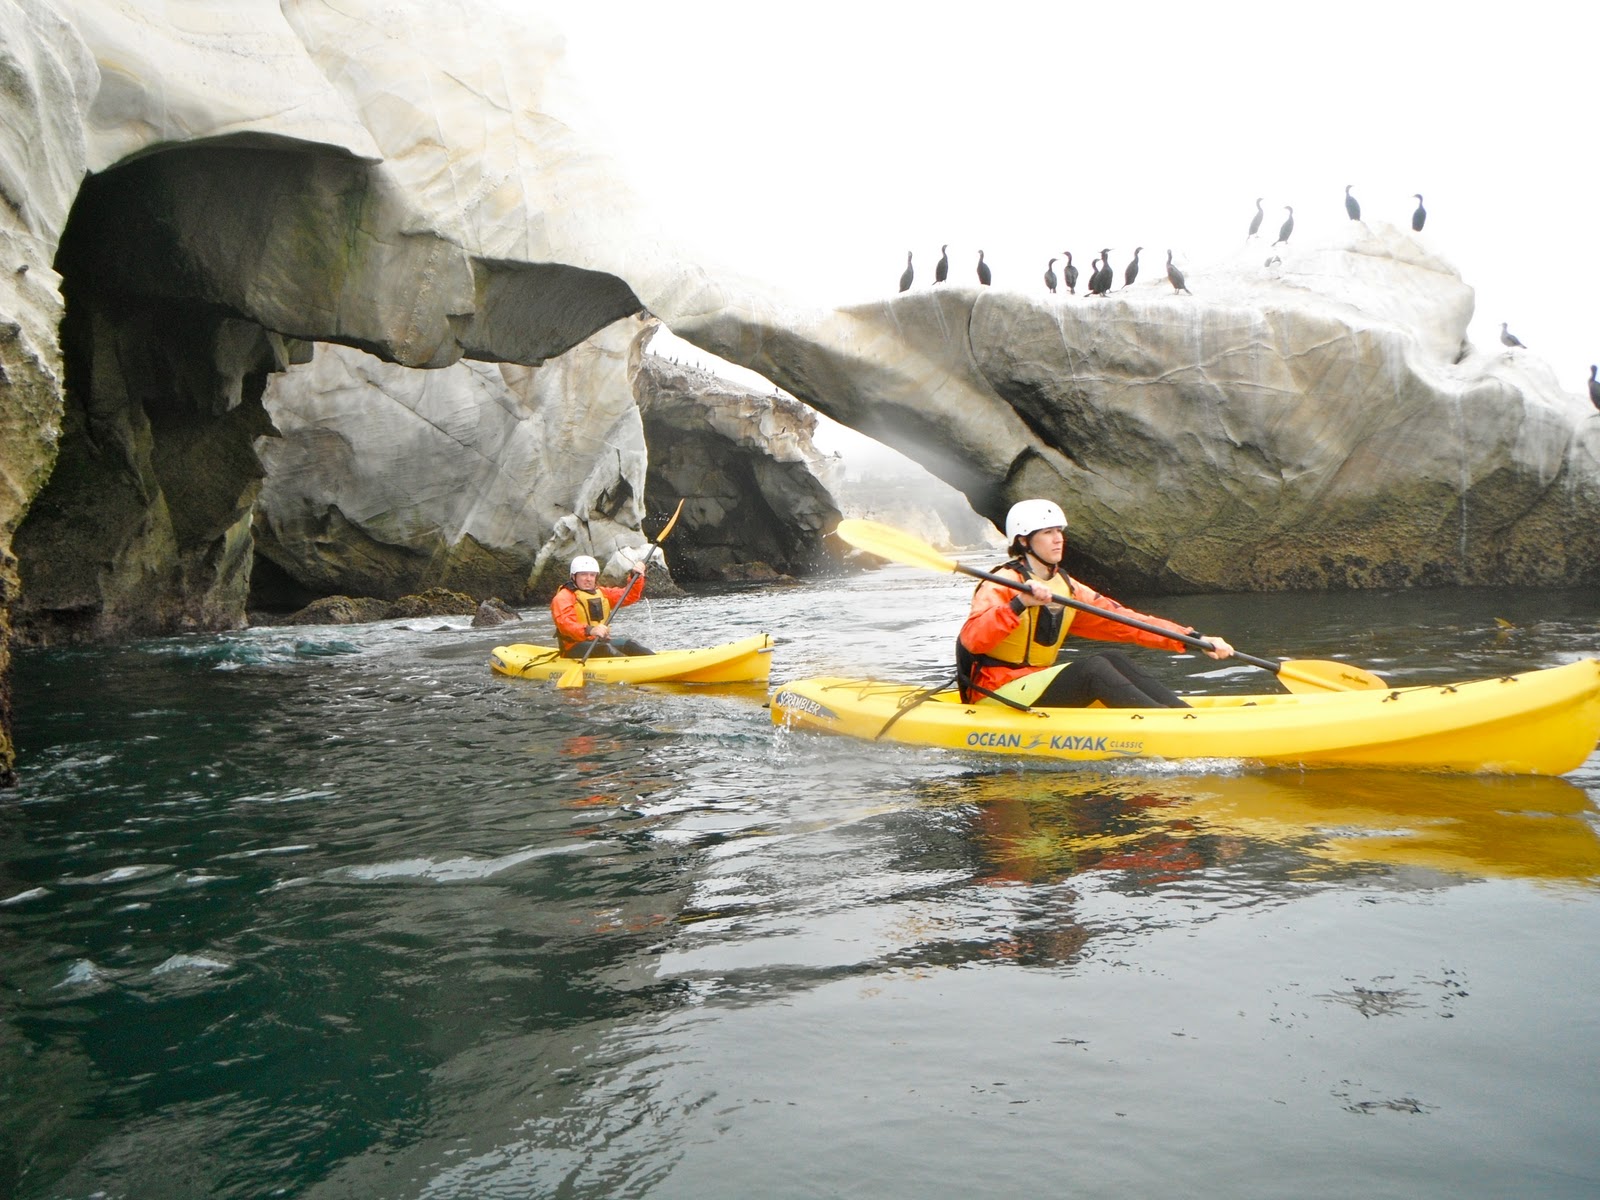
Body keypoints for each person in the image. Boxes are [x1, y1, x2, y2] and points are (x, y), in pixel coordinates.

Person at [957, 499, 1234, 708]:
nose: (1058, 539)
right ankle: (1169, 727)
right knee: (1093, 669)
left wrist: (1193, 639)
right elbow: (973, 640)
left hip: (1036, 683)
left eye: (1059, 531)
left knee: (1113, 658)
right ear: (1024, 541)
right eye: (1048, 532)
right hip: (996, 690)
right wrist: (1019, 603)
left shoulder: (1068, 588)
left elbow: (1127, 622)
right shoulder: (1001, 584)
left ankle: (1182, 715)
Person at [551, 551, 655, 658]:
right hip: (573, 647)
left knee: (630, 644)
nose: (588, 579)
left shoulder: (602, 593)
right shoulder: (563, 597)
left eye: (592, 575)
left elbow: (629, 595)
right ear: (574, 576)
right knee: (605, 648)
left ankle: (654, 660)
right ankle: (631, 666)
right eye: (583, 574)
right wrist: (590, 630)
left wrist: (635, 576)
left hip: (599, 642)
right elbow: (565, 625)